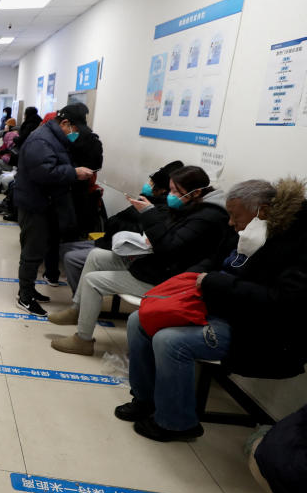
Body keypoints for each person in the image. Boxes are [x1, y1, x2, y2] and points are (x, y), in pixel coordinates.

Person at [116, 178, 307, 441]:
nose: (230, 222)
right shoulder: (249, 230)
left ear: (262, 211)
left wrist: (218, 282)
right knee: (139, 320)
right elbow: (215, 261)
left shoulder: (298, 245)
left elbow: (285, 302)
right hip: (218, 307)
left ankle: (176, 423)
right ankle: (145, 399)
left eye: (234, 215)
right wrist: (192, 275)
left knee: (170, 341)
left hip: (257, 332)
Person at [49, 165, 230, 355]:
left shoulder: (207, 217)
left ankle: (83, 340)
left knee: (92, 281)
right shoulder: (191, 207)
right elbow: (168, 239)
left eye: (177, 191)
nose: (172, 195)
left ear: (197, 192)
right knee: (96, 256)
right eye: (171, 190)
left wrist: (149, 214)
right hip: (156, 264)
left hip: (168, 280)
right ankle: (78, 309)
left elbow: (169, 248)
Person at [13, 103, 95, 315]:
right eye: (75, 130)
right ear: (65, 124)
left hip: (44, 203)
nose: (75, 135)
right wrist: (73, 173)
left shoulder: (52, 138)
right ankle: (25, 296)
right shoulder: (41, 140)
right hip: (35, 205)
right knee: (32, 252)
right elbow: (44, 173)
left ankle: (29, 289)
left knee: (38, 249)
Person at [60, 160, 184, 293]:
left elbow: (137, 232)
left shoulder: (159, 209)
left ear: (162, 189)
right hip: (109, 240)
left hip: (123, 250)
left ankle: (80, 297)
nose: (148, 185)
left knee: (71, 258)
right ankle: (81, 293)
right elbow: (112, 221)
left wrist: (120, 224)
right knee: (64, 248)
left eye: (152, 183)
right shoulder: (145, 200)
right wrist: (121, 224)